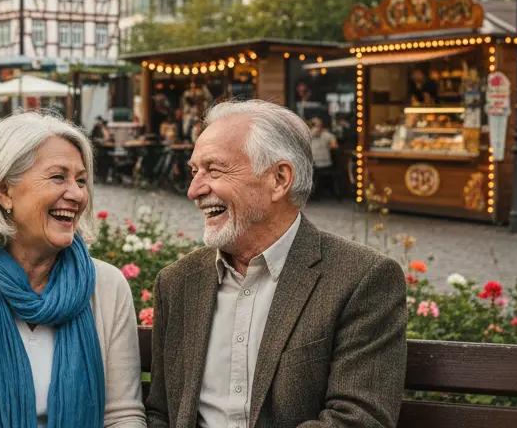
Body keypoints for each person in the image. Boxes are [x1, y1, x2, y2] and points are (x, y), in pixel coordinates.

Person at [145, 99, 407, 428]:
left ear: (279, 179)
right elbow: (161, 412)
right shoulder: (177, 282)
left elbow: (358, 420)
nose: (194, 190)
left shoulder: (361, 278)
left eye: (214, 170)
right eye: (194, 171)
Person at [0, 111, 146, 428]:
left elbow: (123, 416)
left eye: (81, 181)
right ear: (4, 191)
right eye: (58, 177)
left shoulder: (107, 287)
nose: (76, 194)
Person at [309, 117, 339, 201]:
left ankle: (311, 194)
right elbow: (334, 145)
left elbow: (334, 145)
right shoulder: (309, 135)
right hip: (318, 164)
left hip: (318, 164)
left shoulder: (325, 135)